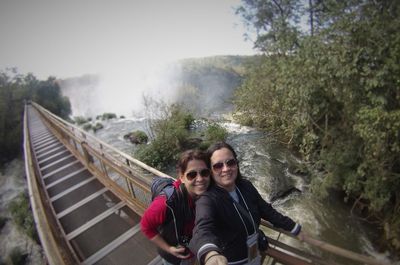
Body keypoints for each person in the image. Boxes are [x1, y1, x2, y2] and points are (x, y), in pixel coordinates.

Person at [189, 142, 304, 265]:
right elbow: (202, 229)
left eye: (230, 162)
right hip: (232, 261)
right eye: (218, 166)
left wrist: (294, 228)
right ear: (210, 171)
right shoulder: (208, 199)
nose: (226, 169)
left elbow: (267, 211)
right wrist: (210, 254)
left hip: (254, 252)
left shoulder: (245, 186)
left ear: (237, 164)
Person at [141, 149, 211, 265]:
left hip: (192, 251)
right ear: (182, 177)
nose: (200, 179)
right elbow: (145, 226)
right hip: (174, 256)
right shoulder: (166, 203)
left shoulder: (208, 194)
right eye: (192, 174)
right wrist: (169, 249)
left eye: (204, 173)